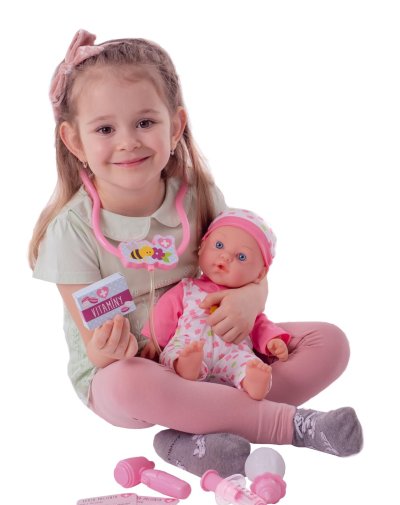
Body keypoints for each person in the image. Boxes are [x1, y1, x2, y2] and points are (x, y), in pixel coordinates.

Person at [29, 30, 362, 478]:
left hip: (214, 349)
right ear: (74, 141)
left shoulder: (197, 196)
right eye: (105, 129)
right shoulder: (72, 231)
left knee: (330, 344)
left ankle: (191, 438)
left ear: (175, 126)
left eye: (145, 123)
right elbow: (99, 349)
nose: (128, 141)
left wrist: (252, 297)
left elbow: (246, 262)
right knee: (127, 383)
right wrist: (113, 349)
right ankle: (294, 426)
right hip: (139, 370)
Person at [142, 209, 291, 401]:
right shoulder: (187, 288)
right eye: (219, 245)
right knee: (175, 352)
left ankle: (253, 381)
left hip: (232, 354)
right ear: (202, 246)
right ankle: (188, 366)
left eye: (242, 257)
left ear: (260, 274)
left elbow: (260, 325)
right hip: (190, 344)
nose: (225, 257)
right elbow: (166, 312)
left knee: (248, 363)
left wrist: (272, 342)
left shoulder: (244, 304)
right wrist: (155, 340)